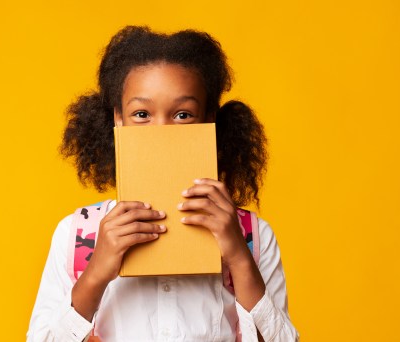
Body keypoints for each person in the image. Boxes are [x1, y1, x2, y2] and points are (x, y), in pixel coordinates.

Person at [26, 26, 299, 341]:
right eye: (142, 113)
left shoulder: (253, 237)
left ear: (210, 119)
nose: (161, 130)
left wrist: (238, 257)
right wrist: (96, 274)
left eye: (183, 115)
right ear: (119, 119)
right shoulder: (77, 236)